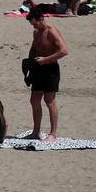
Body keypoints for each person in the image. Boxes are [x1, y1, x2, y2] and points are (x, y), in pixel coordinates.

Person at [25, 9, 69, 142]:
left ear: (41, 19)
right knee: (34, 100)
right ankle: (36, 131)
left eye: (35, 24)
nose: (34, 27)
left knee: (49, 101)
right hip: (38, 69)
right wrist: (29, 63)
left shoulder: (52, 31)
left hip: (51, 69)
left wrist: (45, 59)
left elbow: (64, 51)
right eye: (32, 25)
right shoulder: (36, 32)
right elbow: (34, 48)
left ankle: (53, 134)